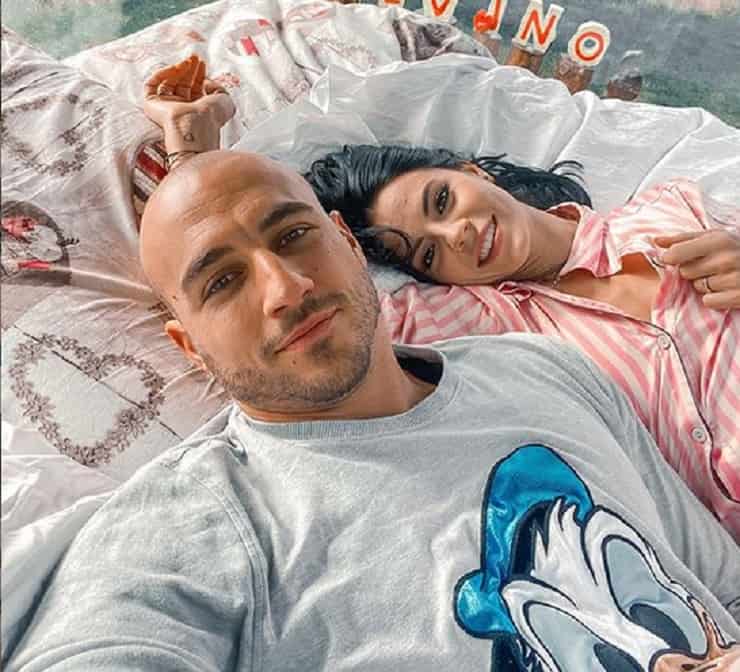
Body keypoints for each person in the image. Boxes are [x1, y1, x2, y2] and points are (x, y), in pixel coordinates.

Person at [6, 57, 740, 672]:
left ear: (347, 248)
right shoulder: (197, 525)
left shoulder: (545, 370)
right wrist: (190, 150)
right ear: (189, 347)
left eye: (294, 237)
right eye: (223, 283)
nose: (286, 288)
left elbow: (723, 594)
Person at [305, 145, 740, 542]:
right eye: (429, 255)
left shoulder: (671, 207)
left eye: (442, 201)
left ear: (474, 173)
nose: (456, 235)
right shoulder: (488, 324)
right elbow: (330, 318)